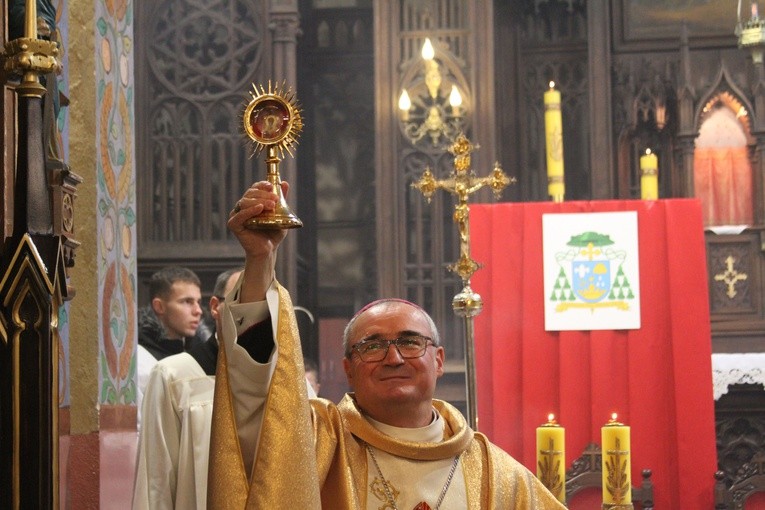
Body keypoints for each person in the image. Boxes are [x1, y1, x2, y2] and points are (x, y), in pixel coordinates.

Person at [206, 181, 566, 508]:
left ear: (438, 360)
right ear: (348, 368)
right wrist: (260, 260)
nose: (393, 358)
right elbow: (254, 385)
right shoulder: (316, 441)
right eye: (371, 346)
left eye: (410, 342)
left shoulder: (495, 475)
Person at [132, 267, 241, 510]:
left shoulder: (287, 380)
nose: (196, 311)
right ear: (217, 307)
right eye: (239, 301)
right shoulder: (169, 374)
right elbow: (156, 481)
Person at [136, 266, 207, 428]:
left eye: (199, 302)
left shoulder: (198, 355)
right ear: (159, 306)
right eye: (187, 302)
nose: (198, 311)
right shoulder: (141, 360)